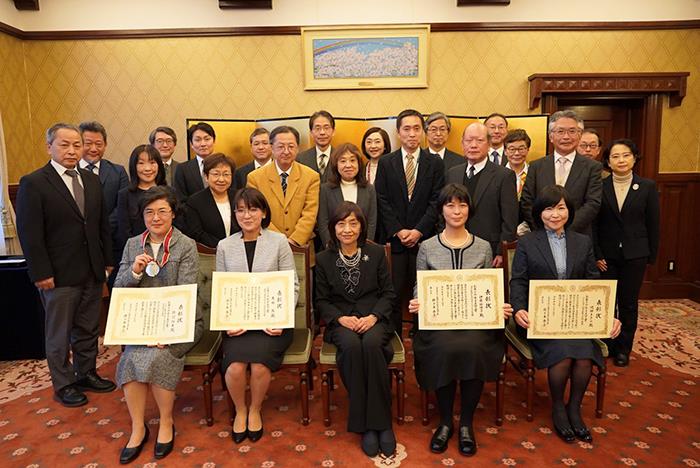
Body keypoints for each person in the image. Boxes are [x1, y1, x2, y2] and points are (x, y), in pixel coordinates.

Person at [510, 185, 621, 445]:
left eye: (560, 208)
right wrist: (519, 310)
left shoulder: (582, 242)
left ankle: (574, 408)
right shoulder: (527, 243)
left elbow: (594, 284)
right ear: (539, 213)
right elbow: (518, 281)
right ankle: (559, 407)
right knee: (563, 354)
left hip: (574, 319)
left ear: (569, 212)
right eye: (549, 208)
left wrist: (609, 316)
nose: (555, 214)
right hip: (541, 319)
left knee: (583, 357)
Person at [408, 184, 513, 457]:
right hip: (438, 322)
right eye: (450, 205)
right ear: (441, 210)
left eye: (462, 205)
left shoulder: (483, 247)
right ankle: (445, 421)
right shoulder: (427, 247)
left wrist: (497, 306)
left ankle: (466, 422)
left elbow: (489, 288)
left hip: (475, 324)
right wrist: (417, 302)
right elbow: (420, 285)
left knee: (474, 347)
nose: (457, 211)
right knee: (444, 348)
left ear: (470, 209)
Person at [16, 123, 116, 408]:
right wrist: (40, 272)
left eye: (76, 145)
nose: (72, 150)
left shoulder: (91, 180)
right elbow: (30, 233)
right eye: (65, 145)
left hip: (92, 270)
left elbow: (101, 227)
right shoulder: (34, 182)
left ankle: (86, 374)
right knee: (58, 334)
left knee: (87, 329)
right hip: (57, 275)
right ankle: (64, 384)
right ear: (49, 147)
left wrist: (107, 262)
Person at [114, 186, 202, 464]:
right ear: (142, 216)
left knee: (159, 355)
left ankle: (165, 422)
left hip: (181, 321)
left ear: (173, 214)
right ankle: (138, 427)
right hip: (143, 322)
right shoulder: (132, 244)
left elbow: (188, 291)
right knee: (130, 358)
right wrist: (134, 272)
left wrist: (166, 330)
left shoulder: (185, 244)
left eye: (162, 211)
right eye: (149, 212)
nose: (155, 217)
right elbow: (118, 286)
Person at [216, 187, 298, 444]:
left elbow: (292, 285)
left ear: (263, 213)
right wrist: (227, 322)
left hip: (272, 323)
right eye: (240, 210)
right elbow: (221, 289)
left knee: (260, 365)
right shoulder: (225, 246)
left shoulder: (278, 242)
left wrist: (280, 319)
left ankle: (255, 410)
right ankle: (241, 409)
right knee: (236, 367)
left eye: (252, 209)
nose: (246, 215)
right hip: (237, 324)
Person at [315, 202, 397, 457]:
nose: (347, 229)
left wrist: (373, 316)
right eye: (341, 223)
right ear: (333, 228)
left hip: (375, 319)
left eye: (353, 223)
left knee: (371, 345)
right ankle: (371, 425)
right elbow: (321, 301)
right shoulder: (323, 259)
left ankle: (379, 424)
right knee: (351, 346)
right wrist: (340, 319)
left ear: (361, 227)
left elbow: (389, 294)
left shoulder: (376, 254)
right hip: (342, 322)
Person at [374, 109, 444, 336]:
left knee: (422, 290)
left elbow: (436, 201)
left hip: (424, 239)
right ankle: (393, 333)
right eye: (407, 129)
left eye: (416, 129)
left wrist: (418, 231)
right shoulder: (386, 162)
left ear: (422, 132)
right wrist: (398, 230)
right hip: (395, 239)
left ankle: (421, 332)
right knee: (392, 290)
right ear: (398, 132)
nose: (412, 134)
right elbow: (382, 199)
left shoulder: (434, 162)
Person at [594, 139, 659, 367]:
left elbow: (653, 223)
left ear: (634, 158)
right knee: (607, 302)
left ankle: (623, 348)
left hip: (635, 254)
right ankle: (606, 344)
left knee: (629, 303)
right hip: (606, 255)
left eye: (626, 155)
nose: (621, 160)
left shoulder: (647, 186)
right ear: (608, 161)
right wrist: (597, 254)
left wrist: (651, 255)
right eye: (615, 156)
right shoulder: (601, 187)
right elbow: (595, 224)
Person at [446, 122, 518, 266]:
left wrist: (501, 251)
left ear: (489, 144)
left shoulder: (504, 175)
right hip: (455, 245)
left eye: (479, 141)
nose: (473, 145)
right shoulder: (453, 172)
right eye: (469, 140)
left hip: (490, 249)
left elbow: (510, 218)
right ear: (462, 143)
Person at [520, 110, 602, 236]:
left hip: (577, 236)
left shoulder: (592, 167)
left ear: (580, 135)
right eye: (560, 131)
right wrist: (543, 228)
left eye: (572, 131)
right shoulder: (536, 166)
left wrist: (563, 229)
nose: (566, 137)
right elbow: (527, 202)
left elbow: (592, 204)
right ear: (551, 136)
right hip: (541, 235)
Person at [246, 125, 320, 260]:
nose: (286, 151)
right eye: (280, 147)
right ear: (272, 148)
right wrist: (279, 241)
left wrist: (294, 241)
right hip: (267, 246)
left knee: (302, 281)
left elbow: (310, 213)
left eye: (291, 146)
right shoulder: (255, 178)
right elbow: (256, 213)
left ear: (297, 148)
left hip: (301, 246)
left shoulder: (311, 176)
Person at [78, 121, 128, 283]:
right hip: (78, 246)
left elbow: (121, 207)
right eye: (88, 143)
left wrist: (100, 228)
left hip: (112, 244)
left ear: (105, 145)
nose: (94, 149)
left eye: (98, 144)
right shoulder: (70, 172)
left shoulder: (117, 171)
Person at [318, 143, 377, 248]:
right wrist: (331, 246)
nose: (348, 165)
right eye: (343, 161)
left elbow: (372, 222)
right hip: (334, 248)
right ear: (336, 165)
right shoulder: (325, 189)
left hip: (362, 248)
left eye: (353, 160)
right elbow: (323, 221)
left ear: (359, 163)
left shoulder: (369, 189)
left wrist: (365, 246)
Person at [116, 145, 166, 250]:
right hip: (136, 253)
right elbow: (124, 232)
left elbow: (177, 227)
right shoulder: (124, 195)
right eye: (141, 163)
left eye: (152, 163)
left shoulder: (169, 193)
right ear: (134, 166)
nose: (147, 168)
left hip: (167, 251)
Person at [184, 153, 239, 248]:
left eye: (226, 174)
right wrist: (223, 247)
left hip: (239, 251)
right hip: (209, 254)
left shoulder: (239, 198)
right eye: (216, 174)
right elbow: (197, 233)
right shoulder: (195, 202)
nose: (221, 179)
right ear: (206, 176)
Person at [174, 122, 216, 202]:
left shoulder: (226, 166)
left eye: (207, 139)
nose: (203, 144)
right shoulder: (183, 169)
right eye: (197, 140)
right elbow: (181, 200)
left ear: (214, 141)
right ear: (191, 144)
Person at [503, 129, 532, 237]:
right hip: (503, 233)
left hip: (530, 232)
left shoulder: (535, 174)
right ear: (505, 151)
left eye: (521, 149)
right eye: (512, 149)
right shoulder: (497, 175)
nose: (516, 153)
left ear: (528, 149)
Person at [298, 110, 335, 183]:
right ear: (311, 133)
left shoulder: (341, 157)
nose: (322, 132)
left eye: (326, 128)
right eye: (317, 128)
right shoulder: (300, 159)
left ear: (333, 131)